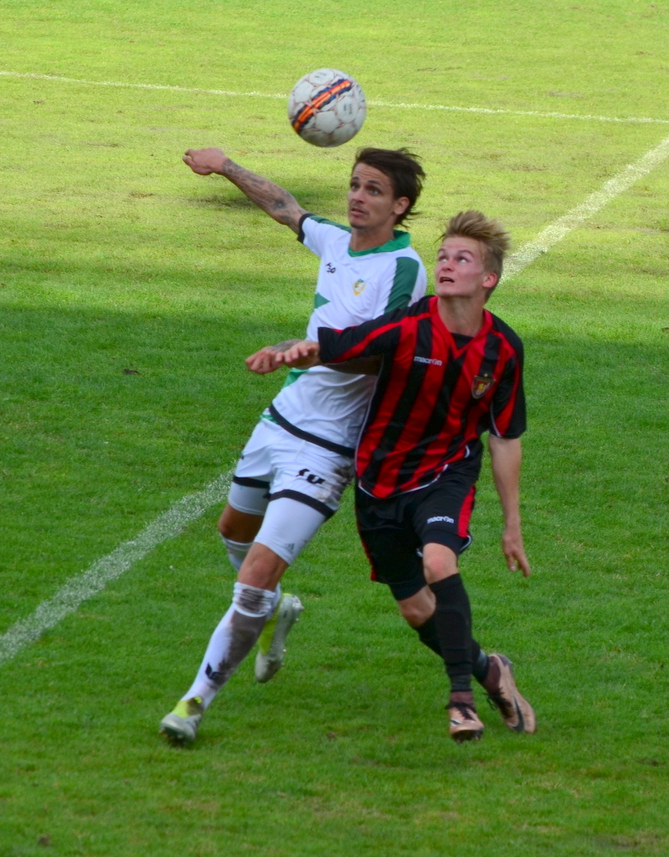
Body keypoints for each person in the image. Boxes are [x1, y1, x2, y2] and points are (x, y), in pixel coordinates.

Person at [160, 146, 428, 745]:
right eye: (356, 185)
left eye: (375, 190)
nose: (359, 196)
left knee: (251, 578)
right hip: (279, 419)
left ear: (400, 205)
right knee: (232, 531)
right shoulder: (335, 242)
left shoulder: (405, 269)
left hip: (327, 446)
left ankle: (194, 702)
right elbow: (286, 208)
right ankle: (277, 610)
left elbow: (380, 347)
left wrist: (309, 347)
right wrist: (226, 166)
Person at [253, 210, 535, 743]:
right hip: (379, 480)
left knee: (437, 559)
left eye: (462, 259)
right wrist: (291, 350)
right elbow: (338, 345)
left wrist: (512, 523)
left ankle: (461, 702)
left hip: (445, 474)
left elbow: (505, 436)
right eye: (444, 256)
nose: (446, 265)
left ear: (488, 278)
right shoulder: (409, 324)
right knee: (414, 608)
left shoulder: (503, 349)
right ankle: (489, 669)